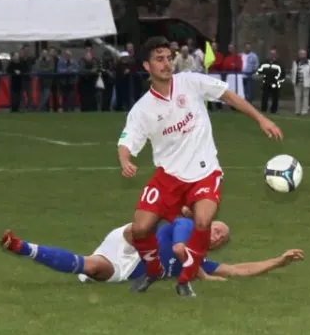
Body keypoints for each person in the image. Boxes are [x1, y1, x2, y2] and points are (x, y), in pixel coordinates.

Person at [117, 36, 283, 297]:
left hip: (205, 172)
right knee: (140, 228)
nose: (166, 63)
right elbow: (126, 141)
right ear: (147, 67)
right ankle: (153, 270)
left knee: (204, 221)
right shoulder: (142, 109)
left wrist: (260, 118)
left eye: (169, 58)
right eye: (159, 59)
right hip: (168, 177)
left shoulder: (190, 82)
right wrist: (125, 160)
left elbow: (228, 95)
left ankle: (184, 280)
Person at [0, 218, 304, 283]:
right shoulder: (182, 228)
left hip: (127, 269)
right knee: (142, 228)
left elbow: (238, 270)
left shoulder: (201, 261)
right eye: (216, 229)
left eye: (221, 239)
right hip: (129, 241)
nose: (217, 237)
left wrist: (279, 260)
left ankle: (21, 247)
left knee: (92, 269)